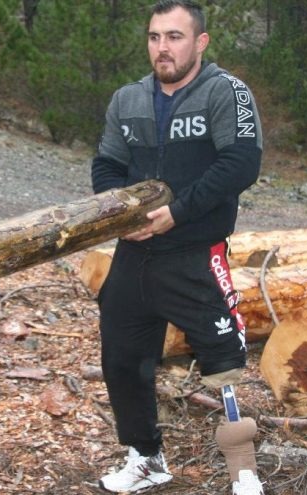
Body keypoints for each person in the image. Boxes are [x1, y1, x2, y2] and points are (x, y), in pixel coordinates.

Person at [90, 1, 264, 493]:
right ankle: (146, 458)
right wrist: (120, 216)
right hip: (134, 256)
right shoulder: (127, 99)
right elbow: (107, 165)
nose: (162, 48)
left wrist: (179, 212)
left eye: (174, 36)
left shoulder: (225, 91)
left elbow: (240, 164)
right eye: (154, 37)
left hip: (195, 251)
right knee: (122, 361)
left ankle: (243, 470)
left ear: (200, 42)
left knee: (223, 361)